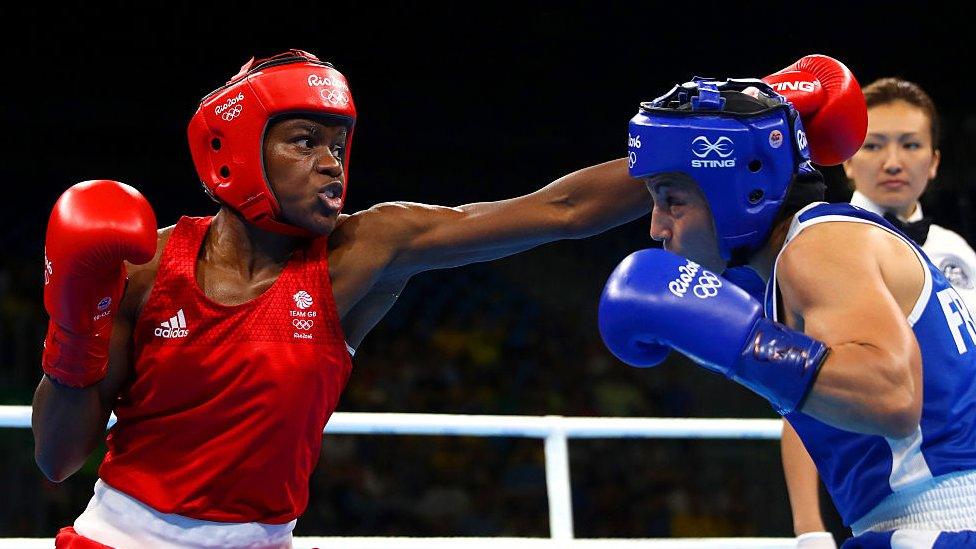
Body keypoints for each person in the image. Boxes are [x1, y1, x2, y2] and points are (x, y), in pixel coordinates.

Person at [32, 49, 651, 548]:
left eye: (338, 144)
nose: (331, 163)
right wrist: (73, 328)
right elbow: (57, 460)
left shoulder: (362, 255)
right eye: (304, 140)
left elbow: (560, 211)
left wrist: (691, 151)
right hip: (117, 539)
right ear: (237, 151)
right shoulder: (146, 267)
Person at [598, 55, 976, 548]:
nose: (656, 227)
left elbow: (891, 396)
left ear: (739, 194)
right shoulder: (802, 258)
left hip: (942, 526)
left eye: (673, 201)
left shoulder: (821, 245)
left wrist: (743, 341)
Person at [781, 76, 976, 547]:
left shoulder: (960, 254)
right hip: (888, 506)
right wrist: (809, 528)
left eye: (910, 145)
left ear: (933, 163)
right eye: (874, 146)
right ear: (847, 159)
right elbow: (800, 392)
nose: (893, 162)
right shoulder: (818, 246)